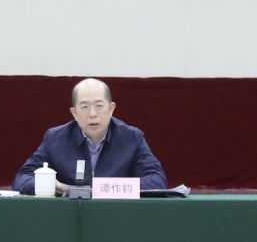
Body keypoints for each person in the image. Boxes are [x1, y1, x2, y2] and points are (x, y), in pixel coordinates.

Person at [13, 78, 166, 195]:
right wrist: (46, 184)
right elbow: (22, 178)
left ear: (111, 109)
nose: (93, 114)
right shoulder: (55, 139)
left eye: (99, 106)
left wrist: (112, 188)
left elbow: (157, 180)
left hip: (117, 212)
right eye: (85, 107)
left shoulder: (132, 138)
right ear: (74, 113)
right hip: (69, 213)